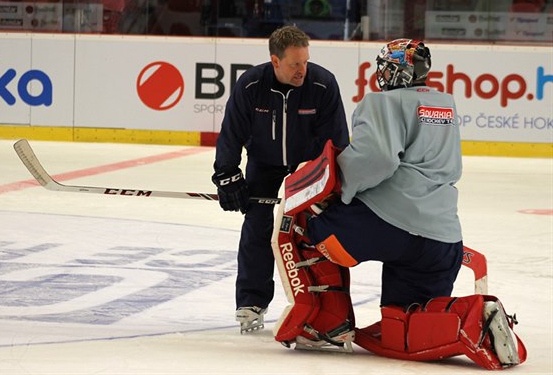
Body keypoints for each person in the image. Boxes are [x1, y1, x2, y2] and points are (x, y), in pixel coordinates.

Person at [272, 39, 526, 369]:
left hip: (386, 226)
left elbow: (375, 159)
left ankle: (325, 326)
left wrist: (336, 191)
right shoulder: (444, 104)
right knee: (405, 325)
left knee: (303, 225)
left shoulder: (382, 103)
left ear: (393, 70)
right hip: (442, 240)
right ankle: (473, 317)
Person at [211, 25, 350, 333]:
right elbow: (231, 133)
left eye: (305, 62)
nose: (302, 70)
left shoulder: (323, 84)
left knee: (317, 229)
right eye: (294, 64)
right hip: (265, 164)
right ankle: (251, 302)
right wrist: (226, 175)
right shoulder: (251, 86)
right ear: (275, 61)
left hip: (309, 167)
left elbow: (337, 139)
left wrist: (335, 180)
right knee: (257, 226)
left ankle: (325, 306)